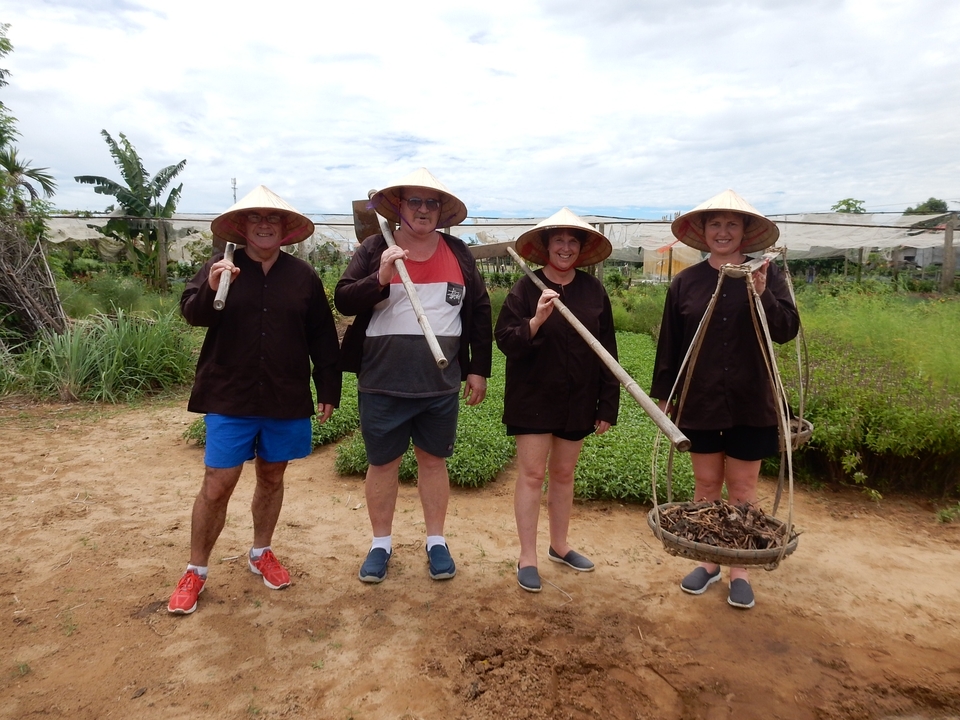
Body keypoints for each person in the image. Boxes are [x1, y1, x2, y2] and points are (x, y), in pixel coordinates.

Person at [167, 186, 341, 615]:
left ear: (284, 230)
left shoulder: (303, 276)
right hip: (230, 393)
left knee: (272, 477)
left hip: (285, 393)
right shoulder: (221, 266)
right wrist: (210, 288)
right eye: (255, 218)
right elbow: (193, 312)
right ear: (242, 227)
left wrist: (329, 388)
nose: (264, 224)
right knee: (217, 483)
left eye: (273, 218)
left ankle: (261, 551)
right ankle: (196, 570)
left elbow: (321, 334)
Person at [335, 168, 492, 584]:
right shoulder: (374, 249)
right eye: (415, 202)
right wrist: (380, 277)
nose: (423, 210)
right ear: (400, 207)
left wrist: (478, 368)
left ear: (441, 211)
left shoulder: (458, 253)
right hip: (382, 380)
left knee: (433, 461)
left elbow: (478, 313)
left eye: (431, 203)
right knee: (382, 464)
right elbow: (344, 298)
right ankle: (380, 544)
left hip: (439, 384)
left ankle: (436, 541)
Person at [650, 189, 799, 610]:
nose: (723, 232)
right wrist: (667, 397)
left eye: (732, 224)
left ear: (746, 232)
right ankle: (710, 561)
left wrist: (763, 291)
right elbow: (671, 345)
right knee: (706, 485)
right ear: (702, 231)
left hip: (752, 400)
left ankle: (740, 568)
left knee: (744, 488)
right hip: (700, 399)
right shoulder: (687, 283)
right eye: (715, 224)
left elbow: (786, 330)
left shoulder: (766, 273)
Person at [495, 208, 619, 593]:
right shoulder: (524, 289)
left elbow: (607, 352)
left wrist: (607, 403)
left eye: (572, 242)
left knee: (564, 475)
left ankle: (560, 545)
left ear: (581, 250)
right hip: (533, 396)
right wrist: (535, 321)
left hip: (578, 397)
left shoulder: (593, 291)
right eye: (558, 241)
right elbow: (505, 341)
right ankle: (527, 556)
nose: (565, 248)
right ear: (545, 247)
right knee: (532, 475)